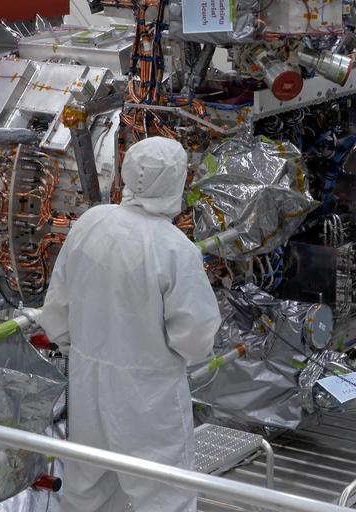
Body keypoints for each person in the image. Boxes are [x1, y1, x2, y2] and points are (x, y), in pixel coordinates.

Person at [40, 136, 222, 512]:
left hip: (88, 385)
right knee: (163, 496)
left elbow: (56, 309)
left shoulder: (91, 221)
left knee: (87, 491)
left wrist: (84, 350)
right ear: (177, 181)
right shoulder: (174, 249)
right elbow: (196, 336)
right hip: (148, 398)